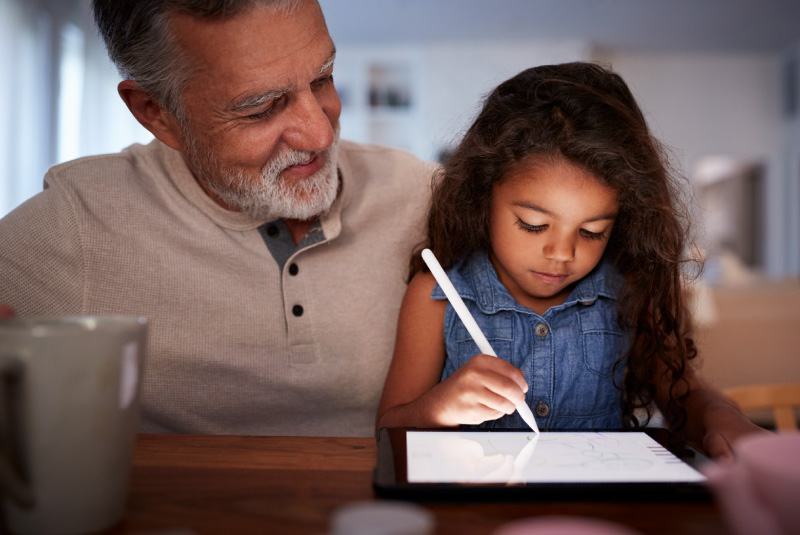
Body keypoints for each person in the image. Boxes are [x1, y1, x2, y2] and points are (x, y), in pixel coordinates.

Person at [0, 0, 435, 437]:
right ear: (154, 112)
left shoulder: (424, 194)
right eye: (262, 108)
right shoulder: (81, 220)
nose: (321, 133)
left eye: (323, 78)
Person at [375, 62, 764, 459]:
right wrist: (438, 407)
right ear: (481, 197)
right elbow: (389, 426)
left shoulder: (629, 287)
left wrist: (718, 414)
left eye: (593, 231)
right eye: (532, 224)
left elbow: (682, 393)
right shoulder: (436, 295)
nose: (562, 253)